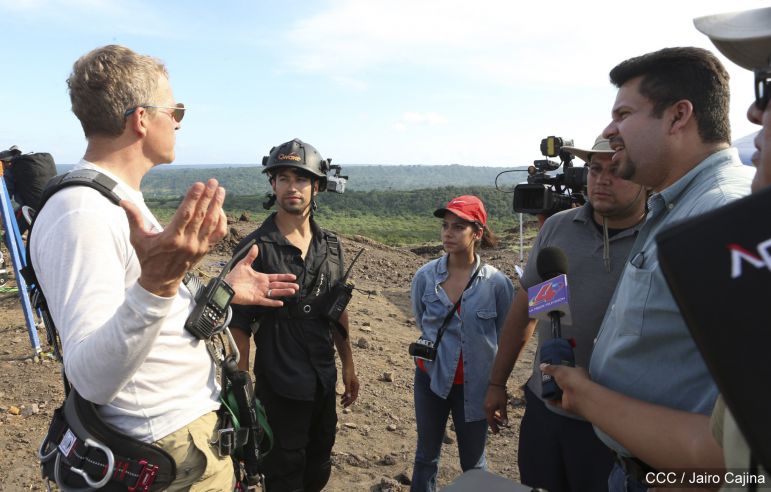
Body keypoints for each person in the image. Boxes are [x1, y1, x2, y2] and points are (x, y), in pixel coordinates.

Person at [31, 45, 298, 491]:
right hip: (164, 447)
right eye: (175, 110)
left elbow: (149, 316)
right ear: (140, 119)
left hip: (183, 437)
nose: (177, 122)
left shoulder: (115, 200)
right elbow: (91, 377)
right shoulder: (81, 213)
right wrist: (159, 282)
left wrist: (220, 290)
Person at [539, 47, 753, 492]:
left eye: (624, 113)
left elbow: (747, 436)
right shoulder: (678, 207)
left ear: (678, 117)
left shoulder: (721, 216)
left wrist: (589, 397)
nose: (609, 130)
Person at [484, 136, 646, 492]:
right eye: (595, 169)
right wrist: (497, 383)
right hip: (547, 411)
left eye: (617, 170)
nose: (602, 179)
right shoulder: (558, 228)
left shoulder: (659, 237)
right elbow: (529, 311)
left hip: (617, 427)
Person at [229, 138, 359, 492]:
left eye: (300, 179)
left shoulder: (330, 246)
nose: (292, 187)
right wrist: (242, 394)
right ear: (273, 184)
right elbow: (238, 325)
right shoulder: (256, 249)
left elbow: (337, 310)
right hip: (279, 387)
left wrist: (348, 364)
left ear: (316, 186)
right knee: (284, 475)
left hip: (322, 381)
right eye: (283, 178)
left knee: (318, 467)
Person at [409, 195, 514, 492]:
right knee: (425, 456)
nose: (448, 233)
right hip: (430, 379)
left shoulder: (496, 284)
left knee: (474, 462)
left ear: (477, 233)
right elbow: (422, 320)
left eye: (458, 227)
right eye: (445, 226)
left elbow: (503, 331)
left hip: (476, 385)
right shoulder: (425, 277)